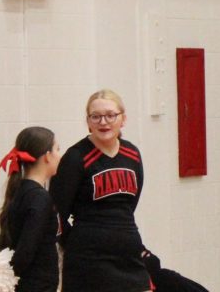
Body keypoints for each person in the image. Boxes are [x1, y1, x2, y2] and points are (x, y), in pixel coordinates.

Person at [50, 89, 152, 292]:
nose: (103, 122)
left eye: (110, 115)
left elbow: (130, 204)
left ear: (123, 119)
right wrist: (77, 242)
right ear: (88, 122)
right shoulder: (76, 157)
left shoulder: (132, 154)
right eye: (95, 116)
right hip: (88, 257)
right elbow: (55, 211)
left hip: (128, 252)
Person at [0, 127, 62, 292]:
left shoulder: (21, 190)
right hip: (35, 286)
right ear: (47, 156)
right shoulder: (39, 198)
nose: (60, 155)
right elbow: (25, 252)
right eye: (57, 149)